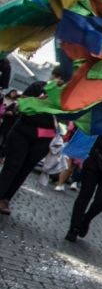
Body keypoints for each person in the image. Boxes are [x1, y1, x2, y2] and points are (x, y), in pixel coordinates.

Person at [0, 82, 56, 215]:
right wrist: (39, 100)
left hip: (44, 138)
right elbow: (20, 106)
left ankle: (6, 199)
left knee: (24, 170)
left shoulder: (68, 94)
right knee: (13, 165)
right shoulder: (39, 86)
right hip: (22, 131)